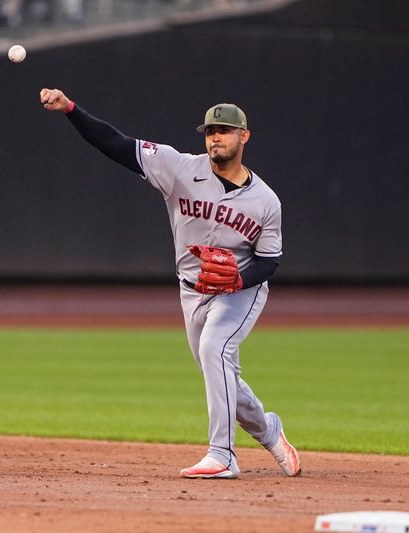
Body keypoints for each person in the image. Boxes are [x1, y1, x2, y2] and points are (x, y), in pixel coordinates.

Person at [39, 87, 301, 479]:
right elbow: (116, 144)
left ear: (243, 137)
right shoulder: (179, 167)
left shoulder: (266, 201)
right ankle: (269, 430)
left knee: (216, 347)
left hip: (241, 292)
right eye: (210, 130)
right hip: (191, 290)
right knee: (218, 369)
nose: (215, 137)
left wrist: (239, 279)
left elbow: (269, 261)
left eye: (225, 130)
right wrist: (71, 110)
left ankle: (223, 455)